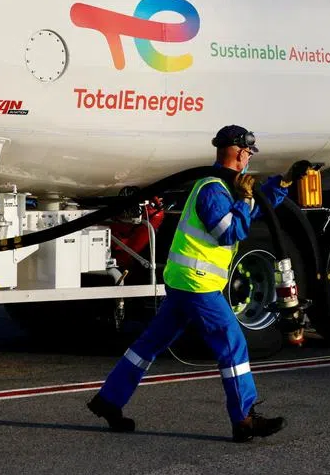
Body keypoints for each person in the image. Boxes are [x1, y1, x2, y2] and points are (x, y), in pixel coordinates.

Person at [88, 125, 311, 442]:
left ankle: (108, 400)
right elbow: (229, 232)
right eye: (248, 152)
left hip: (184, 283)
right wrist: (245, 200)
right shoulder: (212, 190)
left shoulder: (221, 186)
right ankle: (244, 418)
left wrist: (283, 182)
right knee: (233, 345)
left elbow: (255, 208)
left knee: (148, 345)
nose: (249, 158)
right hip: (198, 284)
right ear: (237, 151)